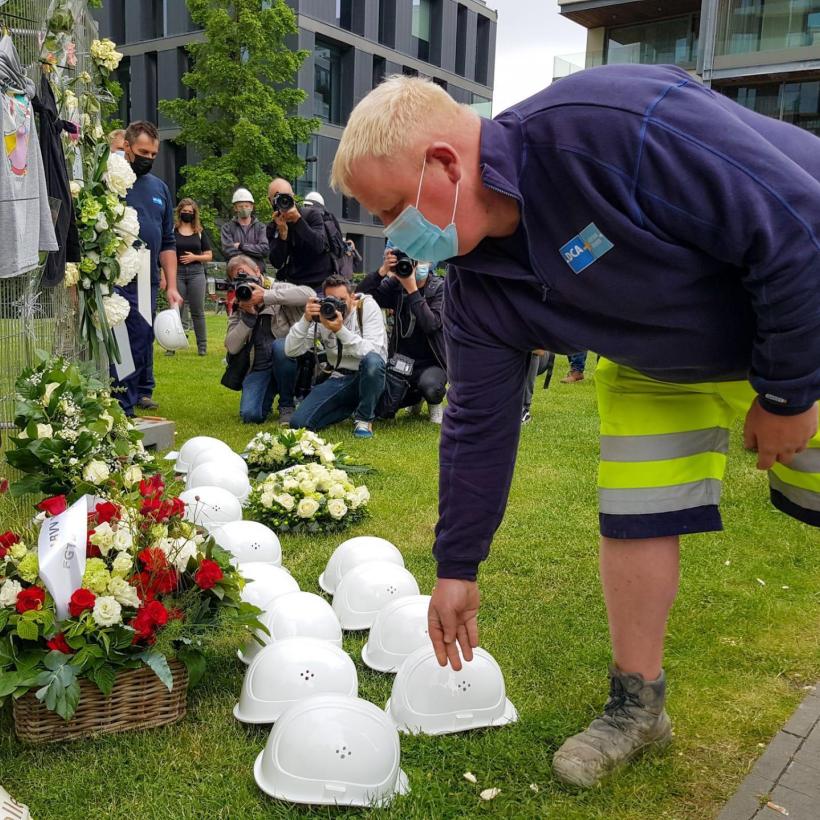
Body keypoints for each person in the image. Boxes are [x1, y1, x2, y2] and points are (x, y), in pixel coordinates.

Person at [330, 68, 820, 788]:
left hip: (799, 309)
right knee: (636, 515)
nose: (392, 236)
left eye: (394, 210)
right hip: (658, 359)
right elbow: (478, 423)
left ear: (444, 164)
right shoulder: (478, 287)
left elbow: (795, 223)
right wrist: (457, 567)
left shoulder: (610, 127)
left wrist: (787, 391)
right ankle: (638, 706)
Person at [112, 120, 181, 416]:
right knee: (117, 339)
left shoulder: (160, 188)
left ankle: (127, 404)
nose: (149, 159)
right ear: (127, 147)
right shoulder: (109, 180)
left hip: (146, 277)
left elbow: (168, 241)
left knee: (140, 338)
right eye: (143, 153)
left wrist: (172, 285)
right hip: (114, 274)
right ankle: (116, 403)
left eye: (153, 154)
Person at [285, 274, 387, 438]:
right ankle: (348, 407)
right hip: (340, 377)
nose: (337, 305)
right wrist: (305, 320)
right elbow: (291, 350)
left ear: (352, 297)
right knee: (299, 423)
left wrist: (340, 330)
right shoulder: (323, 313)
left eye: (342, 300)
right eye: (331, 300)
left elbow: (373, 351)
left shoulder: (366, 307)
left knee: (372, 362)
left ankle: (364, 419)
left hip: (370, 376)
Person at [357, 244, 446, 424]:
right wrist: (382, 272)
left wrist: (412, 290)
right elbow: (362, 296)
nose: (414, 266)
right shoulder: (396, 285)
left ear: (429, 263)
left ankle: (433, 401)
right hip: (401, 360)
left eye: (419, 261)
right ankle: (415, 397)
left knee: (430, 387)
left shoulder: (439, 288)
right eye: (411, 261)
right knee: (384, 411)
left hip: (432, 362)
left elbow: (431, 325)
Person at [224, 255, 314, 425]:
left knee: (280, 347)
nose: (245, 282)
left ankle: (286, 405)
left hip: (289, 360)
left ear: (257, 271)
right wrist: (248, 317)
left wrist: (265, 296)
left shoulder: (277, 288)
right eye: (238, 279)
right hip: (260, 367)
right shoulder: (239, 302)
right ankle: (269, 392)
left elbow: (309, 294)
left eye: (246, 275)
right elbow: (232, 347)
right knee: (251, 416)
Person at [267, 178, 337, 292]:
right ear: (270, 201)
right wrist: (282, 235)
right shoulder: (273, 226)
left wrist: (298, 220)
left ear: (293, 196)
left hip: (320, 282)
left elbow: (319, 245)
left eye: (286, 196)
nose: (283, 201)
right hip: (294, 284)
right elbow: (276, 262)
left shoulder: (312, 215)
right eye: (278, 197)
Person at [171, 198, 212, 357]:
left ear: (194, 214)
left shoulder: (199, 232)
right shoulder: (172, 230)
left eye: (190, 212)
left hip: (196, 272)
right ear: (179, 212)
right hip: (177, 272)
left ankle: (202, 346)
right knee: (176, 310)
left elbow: (208, 255)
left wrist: (194, 257)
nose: (187, 213)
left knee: (197, 310)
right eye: (184, 211)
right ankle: (171, 345)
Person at [220, 187, 269, 274]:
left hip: (257, 273)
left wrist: (241, 246)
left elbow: (264, 250)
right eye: (240, 206)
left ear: (252, 207)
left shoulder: (261, 227)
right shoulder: (227, 228)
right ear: (235, 208)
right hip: (235, 273)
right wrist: (253, 252)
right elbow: (228, 251)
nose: (244, 208)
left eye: (247, 206)